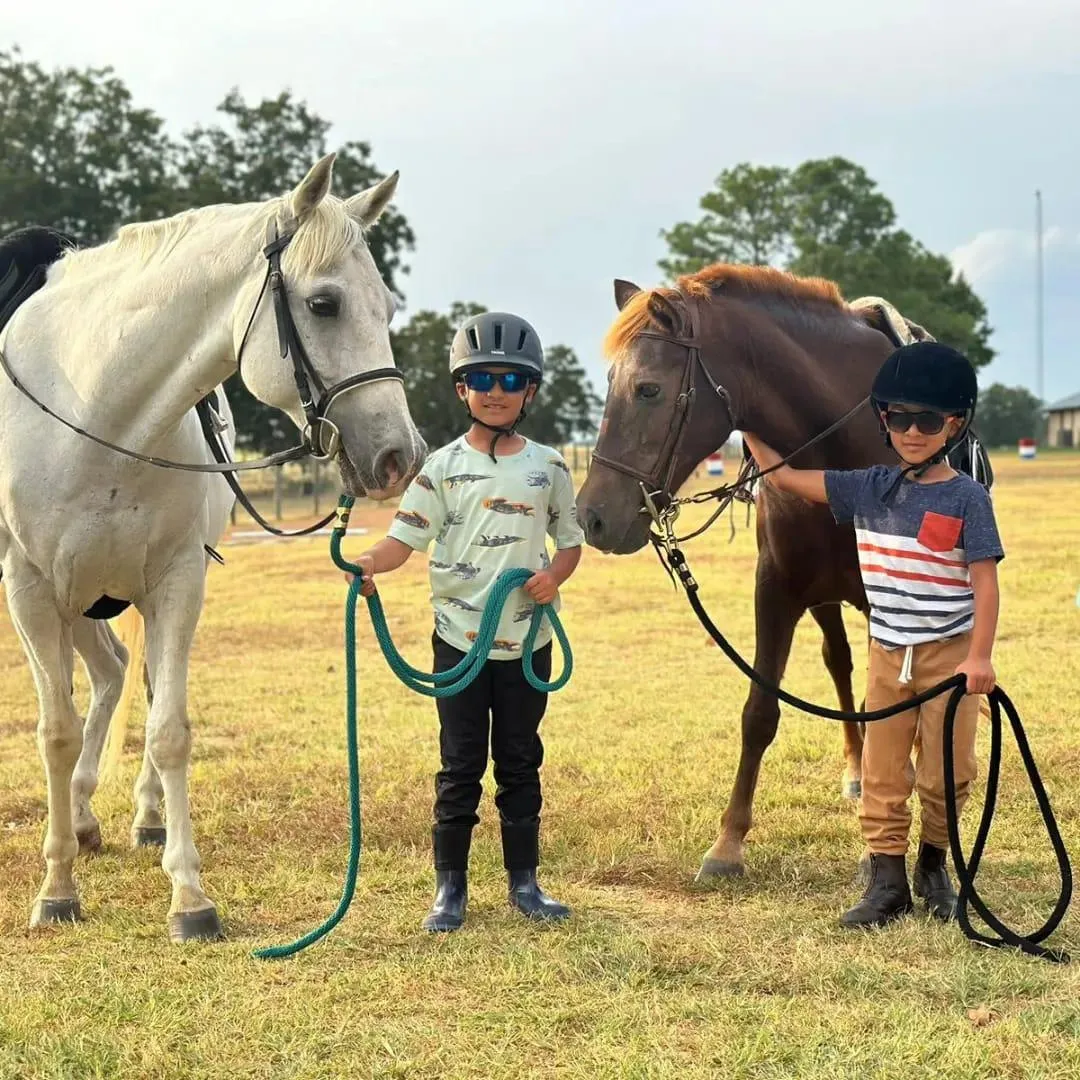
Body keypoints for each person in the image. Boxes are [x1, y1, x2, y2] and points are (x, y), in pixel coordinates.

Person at [740, 342, 1004, 929]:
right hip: (888, 655)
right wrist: (747, 425)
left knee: (947, 773)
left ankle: (934, 867)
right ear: (884, 421)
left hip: (949, 658)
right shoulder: (868, 487)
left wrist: (979, 657)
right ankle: (887, 881)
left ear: (953, 425)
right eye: (900, 418)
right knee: (883, 771)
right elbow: (785, 477)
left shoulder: (968, 498)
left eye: (928, 421)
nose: (912, 431)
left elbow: (984, 584)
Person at [350, 311, 584, 932]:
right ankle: (449, 890)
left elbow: (570, 541)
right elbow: (403, 540)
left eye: (511, 379)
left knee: (519, 760)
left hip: (527, 644)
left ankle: (525, 883)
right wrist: (367, 564)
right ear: (462, 389)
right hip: (458, 643)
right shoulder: (442, 468)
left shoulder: (550, 467)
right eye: (483, 378)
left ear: (530, 391)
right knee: (459, 766)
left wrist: (554, 577)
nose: (497, 391)